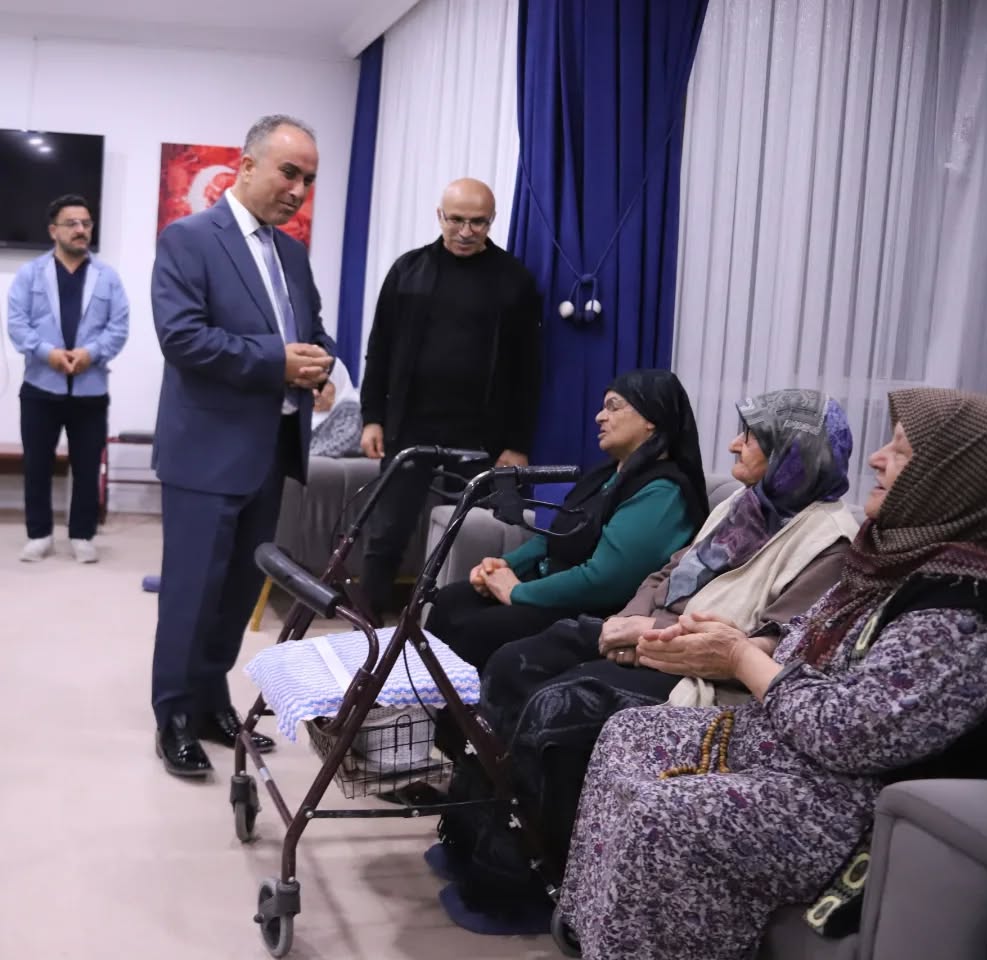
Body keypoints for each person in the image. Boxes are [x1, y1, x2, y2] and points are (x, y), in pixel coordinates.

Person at [557, 388, 987, 960]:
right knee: (627, 732)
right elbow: (797, 640)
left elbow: (850, 735)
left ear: (952, 479)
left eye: (902, 452)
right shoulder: (889, 558)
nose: (876, 458)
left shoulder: (960, 607)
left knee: (660, 813)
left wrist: (740, 656)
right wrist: (729, 643)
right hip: (784, 746)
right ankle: (595, 930)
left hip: (839, 801)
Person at [436, 389, 860, 933]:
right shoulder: (745, 505)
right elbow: (666, 572)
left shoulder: (830, 542)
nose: (734, 445)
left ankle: (526, 879)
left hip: (700, 673)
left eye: (751, 438)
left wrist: (646, 635)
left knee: (557, 706)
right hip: (645, 633)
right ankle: (471, 838)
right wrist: (627, 622)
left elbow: (769, 644)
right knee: (511, 664)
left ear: (793, 454)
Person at [149, 115, 336, 778]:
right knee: (192, 592)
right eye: (289, 173)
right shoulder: (189, 239)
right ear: (247, 165)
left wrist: (322, 363)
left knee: (236, 594)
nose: (299, 190)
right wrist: (278, 363)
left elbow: (312, 331)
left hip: (271, 451)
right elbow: (182, 338)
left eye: (308, 179)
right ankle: (173, 716)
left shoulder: (292, 254)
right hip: (205, 453)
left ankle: (209, 703)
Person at [427, 369, 709, 671]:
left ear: (651, 418)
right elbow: (555, 537)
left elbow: (606, 579)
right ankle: (420, 699)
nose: (599, 417)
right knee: (450, 600)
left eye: (613, 407)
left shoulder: (664, 492)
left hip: (595, 613)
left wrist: (517, 592)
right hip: (555, 593)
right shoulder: (606, 476)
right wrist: (503, 566)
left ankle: (458, 703)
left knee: (479, 629)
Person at [357, 179, 541, 620]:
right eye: (456, 220)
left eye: (477, 222)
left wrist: (517, 443)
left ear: (492, 222)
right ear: (439, 216)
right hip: (409, 427)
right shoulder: (408, 272)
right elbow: (379, 350)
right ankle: (365, 626)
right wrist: (372, 417)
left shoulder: (514, 281)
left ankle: (452, 629)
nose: (465, 231)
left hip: (483, 437)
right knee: (385, 532)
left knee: (473, 536)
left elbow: (529, 370)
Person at [7, 193, 129, 564]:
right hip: (40, 387)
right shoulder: (30, 274)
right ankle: (39, 534)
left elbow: (119, 327)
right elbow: (17, 324)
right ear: (53, 230)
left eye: (86, 223)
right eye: (72, 223)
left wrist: (92, 353)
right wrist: (49, 353)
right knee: (37, 465)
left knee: (88, 466)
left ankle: (82, 535)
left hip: (91, 389)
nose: (81, 229)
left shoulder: (107, 277)